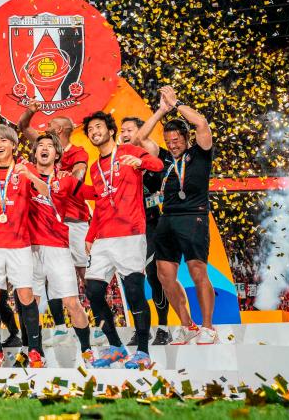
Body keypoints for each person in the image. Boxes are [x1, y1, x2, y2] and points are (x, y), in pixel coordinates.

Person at [82, 111, 164, 369]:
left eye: (98, 127)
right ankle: (115, 347)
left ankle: (142, 351)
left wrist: (141, 164)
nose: (94, 132)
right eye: (90, 130)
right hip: (104, 238)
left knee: (134, 291)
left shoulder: (129, 150)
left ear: (110, 130)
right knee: (93, 291)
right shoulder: (95, 168)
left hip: (130, 233)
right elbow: (101, 203)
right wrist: (89, 236)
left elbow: (159, 165)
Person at [139, 86, 217, 345]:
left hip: (194, 216)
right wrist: (161, 110)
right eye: (169, 142)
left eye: (177, 141)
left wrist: (176, 103)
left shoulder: (200, 153)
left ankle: (208, 327)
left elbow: (201, 122)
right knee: (164, 275)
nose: (173, 146)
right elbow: (140, 139)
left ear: (186, 138)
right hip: (167, 218)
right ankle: (187, 325)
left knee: (197, 270)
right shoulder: (162, 158)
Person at [0, 124, 48, 368]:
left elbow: (46, 193)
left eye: (3, 141)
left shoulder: (25, 169)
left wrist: (32, 177)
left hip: (20, 245)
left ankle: (35, 350)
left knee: (25, 295)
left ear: (13, 145)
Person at [26, 133, 95, 360]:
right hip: (29, 249)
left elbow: (93, 194)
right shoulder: (23, 173)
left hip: (57, 247)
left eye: (50, 146)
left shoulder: (65, 179)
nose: (44, 148)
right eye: (40, 146)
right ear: (35, 152)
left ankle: (86, 349)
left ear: (57, 154)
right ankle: (35, 352)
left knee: (72, 302)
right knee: (31, 304)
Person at [120, 116, 172, 346]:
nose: (124, 134)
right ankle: (141, 329)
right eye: (122, 131)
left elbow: (144, 141)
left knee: (153, 275)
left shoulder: (152, 154)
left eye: (129, 130)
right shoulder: (120, 160)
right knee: (131, 279)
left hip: (151, 224)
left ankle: (163, 327)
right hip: (128, 228)